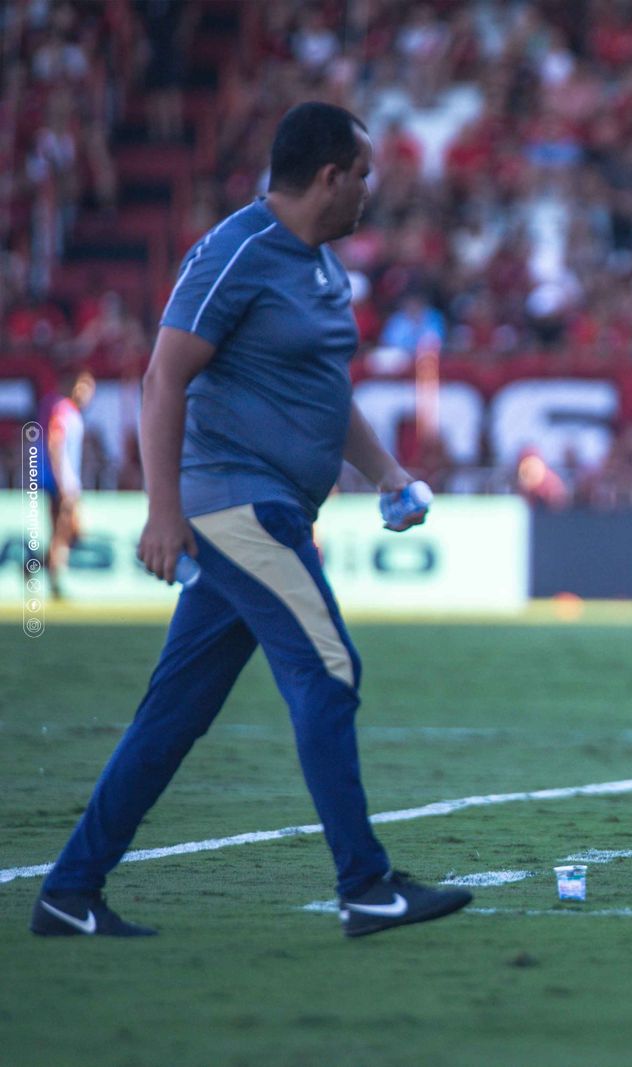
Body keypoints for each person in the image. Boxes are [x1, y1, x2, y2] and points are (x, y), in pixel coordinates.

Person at [30, 103, 471, 938]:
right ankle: (366, 884)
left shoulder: (321, 264)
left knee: (174, 712)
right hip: (235, 506)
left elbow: (323, 396)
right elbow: (164, 376)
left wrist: (387, 472)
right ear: (330, 176)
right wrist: (164, 510)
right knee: (329, 670)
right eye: (364, 176)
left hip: (271, 510)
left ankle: (69, 890)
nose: (370, 192)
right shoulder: (236, 251)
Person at [35, 367, 95, 599]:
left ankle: (37, 568)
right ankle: (54, 580)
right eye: (84, 387)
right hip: (61, 482)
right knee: (65, 530)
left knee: (67, 532)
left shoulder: (71, 412)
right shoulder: (63, 409)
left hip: (66, 482)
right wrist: (64, 482)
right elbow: (55, 443)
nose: (87, 394)